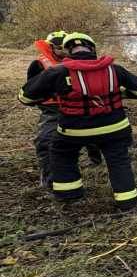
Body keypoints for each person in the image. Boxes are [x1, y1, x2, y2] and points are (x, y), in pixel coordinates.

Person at [18, 32, 137, 210]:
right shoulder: (114, 69)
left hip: (74, 131)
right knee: (119, 161)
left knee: (62, 154)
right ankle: (128, 202)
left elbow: (25, 97)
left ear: (69, 51)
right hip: (115, 129)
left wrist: (55, 95)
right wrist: (117, 94)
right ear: (92, 49)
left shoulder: (57, 72)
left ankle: (69, 196)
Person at [23, 31, 102, 188]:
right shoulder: (39, 65)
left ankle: (96, 160)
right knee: (45, 141)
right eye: (59, 48)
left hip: (78, 105)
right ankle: (49, 178)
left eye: (65, 47)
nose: (63, 51)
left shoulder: (79, 60)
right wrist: (51, 95)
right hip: (53, 108)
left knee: (93, 132)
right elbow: (31, 90)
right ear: (51, 47)